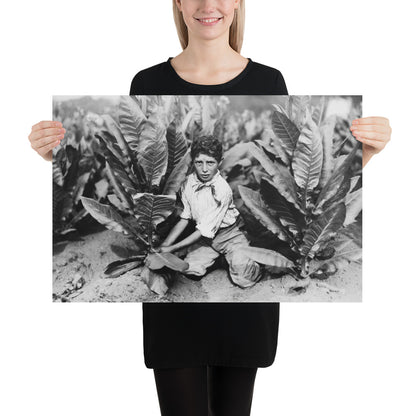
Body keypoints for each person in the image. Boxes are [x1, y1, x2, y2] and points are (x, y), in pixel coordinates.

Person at [28, 0, 392, 415]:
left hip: (237, 295)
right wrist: (52, 158)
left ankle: (254, 265)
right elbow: (169, 201)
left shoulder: (269, 80)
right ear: (178, 3)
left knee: (238, 275)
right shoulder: (146, 82)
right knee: (191, 270)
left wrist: (367, 154)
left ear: (238, 2)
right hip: (176, 322)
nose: (208, 4)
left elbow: (294, 176)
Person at [156, 135, 263, 288]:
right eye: (199, 163)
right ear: (193, 161)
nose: (204, 169)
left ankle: (250, 260)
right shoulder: (188, 183)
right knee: (189, 269)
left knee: (244, 279)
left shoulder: (222, 190)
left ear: (220, 162)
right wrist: (165, 245)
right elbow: (185, 218)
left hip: (230, 236)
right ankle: (219, 260)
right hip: (207, 240)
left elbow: (202, 230)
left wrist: (171, 248)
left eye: (210, 163)